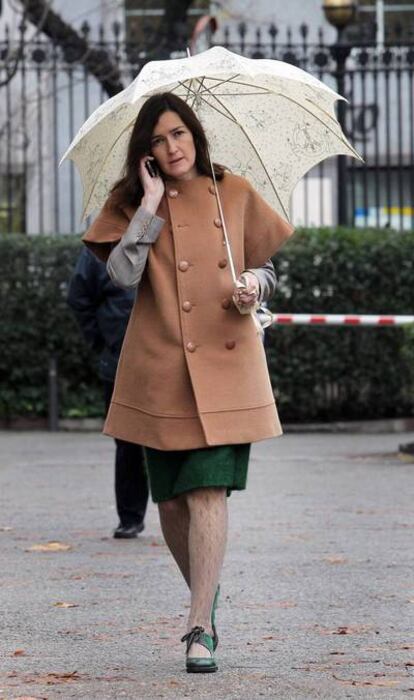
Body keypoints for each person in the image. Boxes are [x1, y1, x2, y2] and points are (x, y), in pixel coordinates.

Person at [82, 92, 294, 673]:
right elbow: (122, 276)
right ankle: (207, 593)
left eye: (178, 133)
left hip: (227, 364)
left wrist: (254, 281)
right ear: (144, 153)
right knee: (171, 499)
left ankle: (199, 624)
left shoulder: (235, 192)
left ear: (196, 135)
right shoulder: (131, 202)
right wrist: (149, 203)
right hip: (161, 366)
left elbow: (268, 269)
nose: (171, 147)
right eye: (157, 140)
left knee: (207, 491)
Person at [67, 248, 149, 538]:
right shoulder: (103, 244)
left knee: (167, 439)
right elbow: (79, 297)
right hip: (120, 359)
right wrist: (103, 342)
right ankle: (130, 516)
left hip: (160, 358)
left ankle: (171, 513)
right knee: (127, 441)